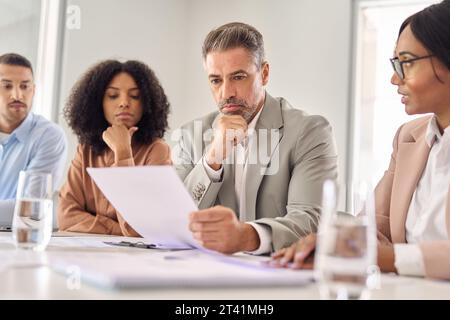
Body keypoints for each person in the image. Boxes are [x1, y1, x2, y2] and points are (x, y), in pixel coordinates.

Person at [271, 0, 450, 280]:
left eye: (407, 63)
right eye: (396, 63)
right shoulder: (408, 138)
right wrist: (330, 242)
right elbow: (370, 227)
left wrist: (386, 257)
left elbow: (380, 252)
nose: (394, 78)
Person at [173, 22, 338, 254]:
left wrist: (246, 237)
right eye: (215, 80)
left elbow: (310, 220)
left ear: (264, 73)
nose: (226, 93)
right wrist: (212, 158)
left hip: (279, 276)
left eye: (238, 77)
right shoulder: (191, 134)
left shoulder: (309, 131)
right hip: (205, 274)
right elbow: (175, 220)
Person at [58, 60, 171, 236]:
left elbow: (138, 230)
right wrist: (116, 229)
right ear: (98, 103)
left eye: (134, 96)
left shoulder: (157, 151)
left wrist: (123, 153)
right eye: (112, 95)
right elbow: (66, 216)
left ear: (147, 104)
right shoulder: (85, 150)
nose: (124, 102)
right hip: (89, 256)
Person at [0, 53, 67, 227]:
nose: (17, 95)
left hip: (21, 241)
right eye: (7, 86)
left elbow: (31, 208)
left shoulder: (49, 136)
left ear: (34, 90)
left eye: (24, 86)